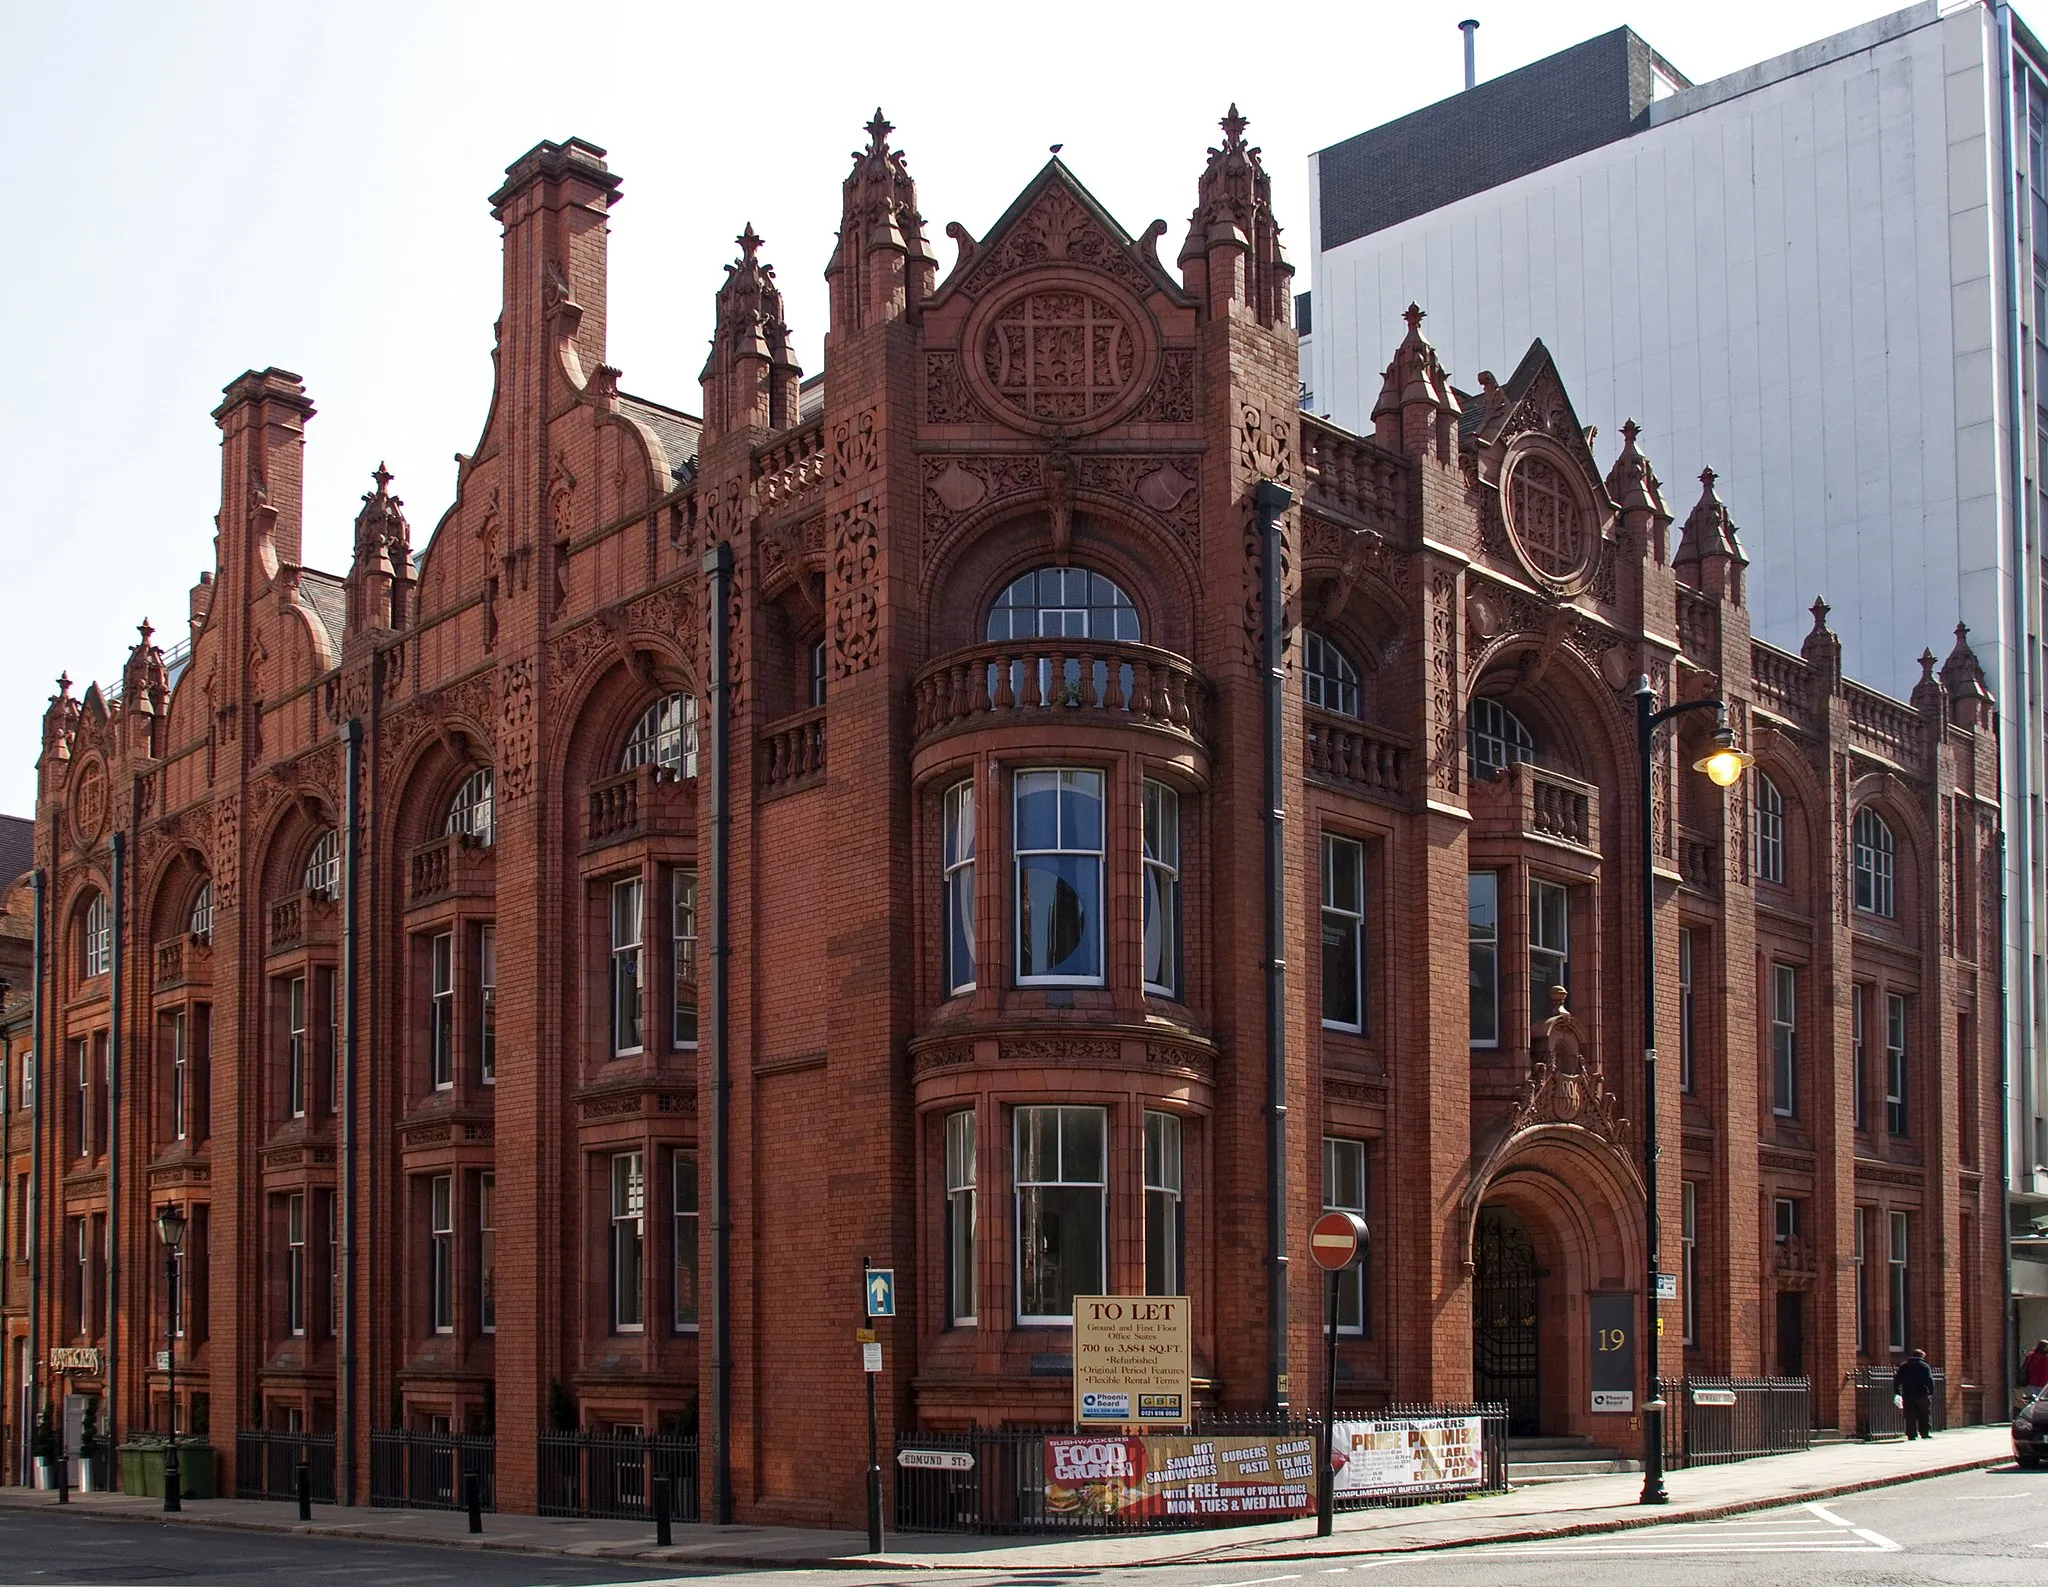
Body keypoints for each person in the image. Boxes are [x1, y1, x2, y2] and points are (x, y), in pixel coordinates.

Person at [1893, 1347, 1935, 1440]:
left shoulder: (1904, 1366)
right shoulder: (1925, 1366)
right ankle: (1924, 1433)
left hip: (1908, 1394)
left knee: (1910, 1415)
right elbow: (1929, 1380)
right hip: (1922, 1394)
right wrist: (1930, 1392)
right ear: (1922, 1356)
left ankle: (1911, 1434)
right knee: (1924, 1414)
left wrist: (1897, 1391)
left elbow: (1897, 1380)